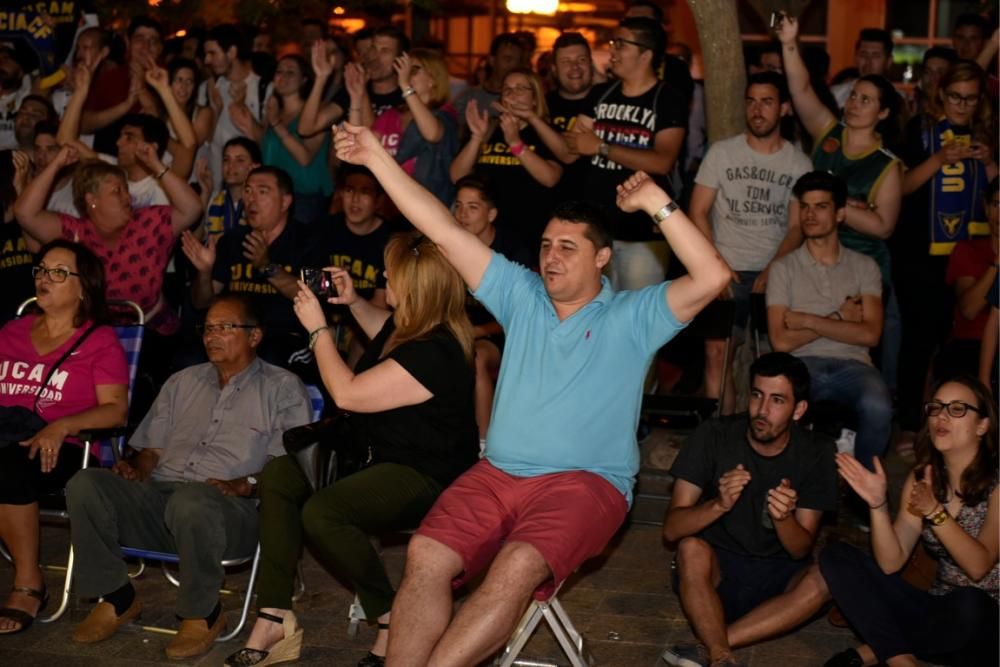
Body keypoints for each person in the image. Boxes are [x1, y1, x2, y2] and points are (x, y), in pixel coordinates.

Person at [330, 116, 730, 665]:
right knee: (425, 552)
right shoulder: (521, 296)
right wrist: (375, 157)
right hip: (496, 475)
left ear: (602, 258)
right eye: (546, 245)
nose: (551, 256)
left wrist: (660, 203)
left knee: (517, 563)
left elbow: (712, 277)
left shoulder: (634, 316)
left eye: (568, 246)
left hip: (585, 485)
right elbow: (445, 231)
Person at [225, 233, 478, 667]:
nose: (382, 277)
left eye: (390, 273)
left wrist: (319, 327)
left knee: (324, 513)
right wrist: (355, 302)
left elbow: (348, 394)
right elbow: (386, 335)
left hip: (424, 472)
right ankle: (274, 614)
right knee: (281, 476)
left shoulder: (438, 351)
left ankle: (386, 615)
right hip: (374, 454)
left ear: (415, 286)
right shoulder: (412, 326)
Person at [65, 294, 312, 659]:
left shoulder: (282, 388)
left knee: (192, 499)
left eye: (225, 328)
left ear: (255, 336)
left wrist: (245, 484)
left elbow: (289, 468)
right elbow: (151, 451)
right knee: (85, 483)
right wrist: (135, 468)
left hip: (232, 509)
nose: (212, 336)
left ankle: (203, 612)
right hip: (164, 500)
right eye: (208, 328)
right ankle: (117, 597)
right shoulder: (182, 382)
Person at [662, 352, 837, 667]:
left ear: (799, 410)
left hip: (780, 579)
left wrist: (783, 519)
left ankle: (713, 644)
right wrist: (718, 504)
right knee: (690, 548)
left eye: (777, 401)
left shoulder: (816, 452)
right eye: (757, 396)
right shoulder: (714, 435)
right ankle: (720, 655)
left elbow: (800, 549)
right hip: (715, 574)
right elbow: (672, 529)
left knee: (830, 576)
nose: (762, 410)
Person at [821, 376, 999, 667]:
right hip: (936, 610)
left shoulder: (997, 484)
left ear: (982, 425)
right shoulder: (922, 479)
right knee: (836, 557)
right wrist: (878, 506)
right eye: (937, 407)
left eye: (957, 409)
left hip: (987, 622)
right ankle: (901, 659)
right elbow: (892, 562)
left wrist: (935, 513)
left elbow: (979, 566)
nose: (941, 416)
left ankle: (874, 651)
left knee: (971, 602)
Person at [0, 240, 129, 634]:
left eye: (58, 272)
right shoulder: (11, 331)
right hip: (6, 436)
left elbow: (115, 409)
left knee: (8, 466)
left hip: (65, 450)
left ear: (83, 287)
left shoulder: (99, 341)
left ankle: (29, 583)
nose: (44, 278)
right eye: (41, 269)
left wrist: (62, 425)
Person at [776, 13, 903, 392]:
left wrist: (834, 201)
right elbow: (800, 91)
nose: (854, 104)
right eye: (854, 96)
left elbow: (884, 227)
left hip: (863, 270)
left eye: (866, 100)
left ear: (882, 113)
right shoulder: (829, 135)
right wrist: (789, 43)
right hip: (813, 260)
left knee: (875, 346)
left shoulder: (888, 166)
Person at [688, 71, 812, 414]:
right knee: (715, 354)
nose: (757, 110)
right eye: (752, 101)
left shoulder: (798, 163)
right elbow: (697, 212)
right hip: (723, 268)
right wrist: (717, 268)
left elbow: (796, 228)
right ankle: (719, 437)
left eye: (767, 102)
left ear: (784, 108)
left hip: (777, 272)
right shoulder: (722, 154)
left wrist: (774, 270)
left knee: (773, 364)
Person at [894, 62, 997, 454]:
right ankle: (908, 424)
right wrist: (939, 160)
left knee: (957, 344)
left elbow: (998, 192)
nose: (962, 106)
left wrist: (987, 162)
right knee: (917, 342)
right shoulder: (919, 130)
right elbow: (900, 187)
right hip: (921, 255)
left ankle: (961, 426)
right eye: (955, 97)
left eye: (970, 99)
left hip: (971, 254)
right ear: (941, 94)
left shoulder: (987, 133)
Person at [766, 171, 891, 472]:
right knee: (782, 400)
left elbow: (871, 334)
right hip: (801, 363)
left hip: (854, 364)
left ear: (840, 214)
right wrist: (840, 319)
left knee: (879, 406)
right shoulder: (783, 268)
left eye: (821, 206)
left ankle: (863, 491)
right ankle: (782, 484)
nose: (810, 215)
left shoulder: (865, 267)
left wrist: (807, 320)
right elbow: (780, 341)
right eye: (805, 207)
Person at [14, 143, 204, 338]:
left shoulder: (148, 222)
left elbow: (192, 208)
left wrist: (156, 165)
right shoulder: (75, 233)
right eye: (117, 191)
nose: (127, 197)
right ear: (92, 200)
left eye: (126, 190)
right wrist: (56, 165)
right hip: (92, 336)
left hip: (152, 333)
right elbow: (24, 213)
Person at [564, 16, 687, 291]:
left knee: (636, 320)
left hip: (642, 233)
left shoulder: (667, 99)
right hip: (596, 230)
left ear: (646, 54)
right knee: (595, 312)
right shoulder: (600, 94)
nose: (612, 51)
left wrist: (602, 147)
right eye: (613, 43)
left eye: (621, 44)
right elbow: (571, 147)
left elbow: (663, 161)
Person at [181, 166, 326, 373]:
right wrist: (204, 272)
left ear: (285, 201)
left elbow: (319, 293)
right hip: (233, 336)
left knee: (267, 362)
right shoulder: (232, 240)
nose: (251, 199)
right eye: (247, 191)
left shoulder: (309, 239)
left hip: (285, 337)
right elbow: (201, 302)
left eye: (263, 191)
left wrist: (267, 267)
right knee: (189, 361)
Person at [452, 175, 530, 440]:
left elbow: (525, 313)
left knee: (476, 359)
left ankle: (483, 445)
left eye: (472, 207)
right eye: (458, 205)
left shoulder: (512, 251)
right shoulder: (448, 247)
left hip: (502, 335)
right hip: (458, 331)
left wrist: (478, 331)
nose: (462, 215)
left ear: (492, 213)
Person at [451, 67, 562, 250]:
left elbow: (550, 178)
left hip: (528, 236)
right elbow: (457, 176)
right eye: (507, 89)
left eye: (520, 88)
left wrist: (515, 143)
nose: (512, 94)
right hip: (488, 237)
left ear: (534, 99)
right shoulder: (488, 129)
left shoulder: (545, 133)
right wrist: (476, 137)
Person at [259, 53, 332, 225]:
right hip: (273, 195)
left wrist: (276, 123)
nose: (282, 76)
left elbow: (305, 157)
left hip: (304, 197)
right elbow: (268, 148)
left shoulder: (316, 111)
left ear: (304, 80)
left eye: (290, 72)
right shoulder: (273, 110)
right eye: (279, 71)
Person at [385, 49, 459, 205]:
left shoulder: (445, 116)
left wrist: (405, 85)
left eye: (413, 70)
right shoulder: (398, 113)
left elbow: (432, 134)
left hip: (431, 206)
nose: (405, 74)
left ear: (433, 79)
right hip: (400, 202)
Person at [197, 136, 261, 241]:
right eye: (226, 160)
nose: (231, 165)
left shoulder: (262, 202)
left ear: (255, 166)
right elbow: (196, 239)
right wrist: (205, 193)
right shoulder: (215, 199)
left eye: (240, 160)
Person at [829, 29, 894, 109]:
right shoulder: (836, 94)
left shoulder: (897, 100)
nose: (868, 62)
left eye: (875, 56)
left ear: (888, 61)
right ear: (856, 58)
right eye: (863, 55)